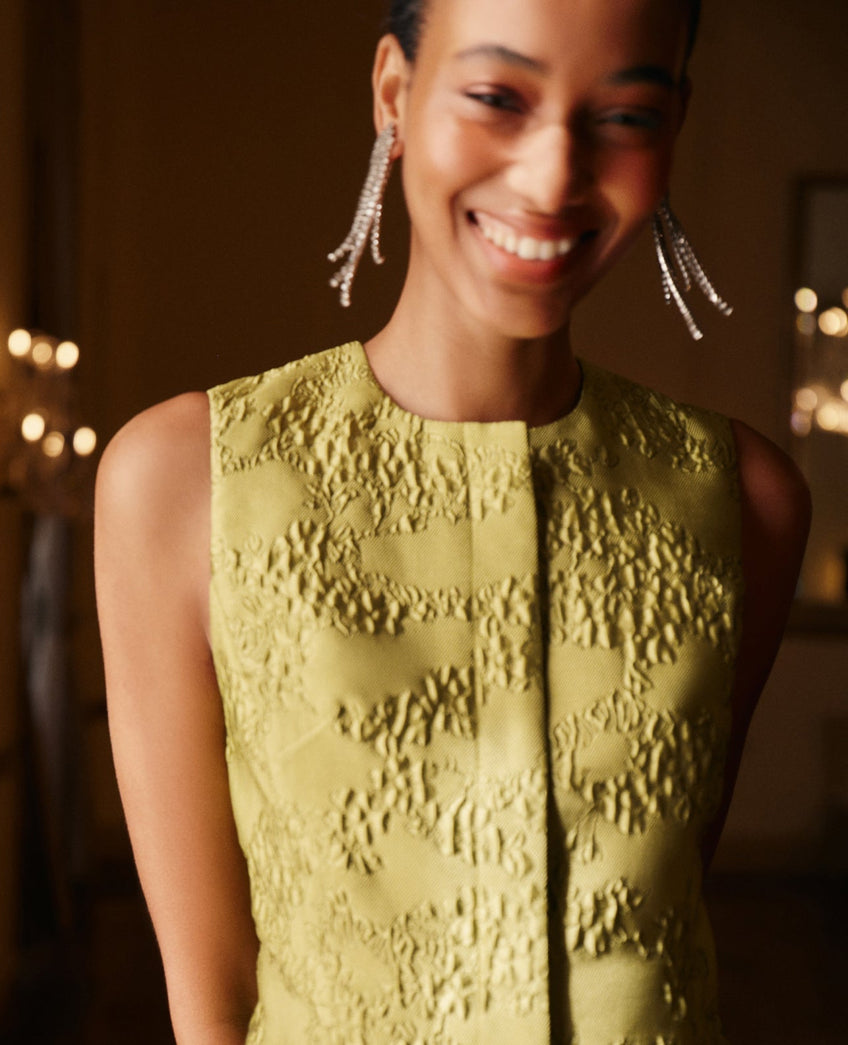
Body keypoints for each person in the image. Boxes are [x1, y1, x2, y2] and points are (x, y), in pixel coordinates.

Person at [95, 0, 811, 1041]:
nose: (553, 174)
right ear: (395, 92)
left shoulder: (743, 498)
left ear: (673, 131)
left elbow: (661, 917)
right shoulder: (181, 479)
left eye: (623, 117)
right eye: (495, 98)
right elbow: (207, 997)